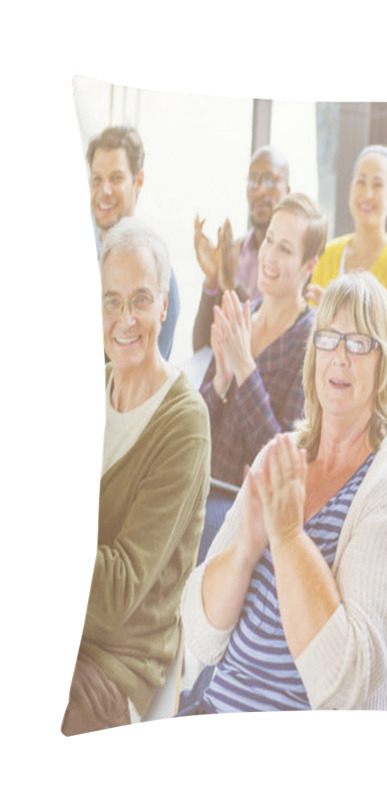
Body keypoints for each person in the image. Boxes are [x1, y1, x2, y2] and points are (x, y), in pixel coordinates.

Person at [179, 272, 387, 713]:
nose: (340, 357)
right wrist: (247, 549)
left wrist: (289, 537)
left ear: (384, 362)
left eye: (359, 343)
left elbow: (347, 679)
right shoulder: (282, 452)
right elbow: (200, 631)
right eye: (329, 339)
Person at [62, 219, 210, 735]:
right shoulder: (88, 388)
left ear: (164, 305)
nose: (125, 320)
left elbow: (116, 596)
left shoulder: (184, 423)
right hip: (57, 638)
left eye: (141, 300)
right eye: (111, 301)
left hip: (113, 670)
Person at [196, 193, 326, 563]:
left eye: (285, 249)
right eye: (269, 240)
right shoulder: (242, 312)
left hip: (248, 512)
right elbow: (195, 424)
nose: (269, 256)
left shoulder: (312, 341)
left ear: (308, 265)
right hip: (204, 485)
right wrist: (221, 381)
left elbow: (282, 457)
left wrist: (244, 368)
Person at [87, 125, 180, 359]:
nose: (104, 190)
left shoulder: (158, 273)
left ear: (138, 181)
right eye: (97, 179)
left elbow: (144, 382)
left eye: (116, 178)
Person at [306, 145, 387, 344]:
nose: (368, 194)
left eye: (378, 184)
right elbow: (311, 337)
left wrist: (332, 314)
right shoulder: (328, 253)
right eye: (361, 182)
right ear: (350, 188)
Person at [191, 146, 291, 351]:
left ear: (287, 192)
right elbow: (201, 347)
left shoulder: (297, 261)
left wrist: (232, 284)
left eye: (270, 181)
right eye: (253, 182)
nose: (259, 190)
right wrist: (212, 279)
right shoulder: (233, 253)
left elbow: (270, 341)